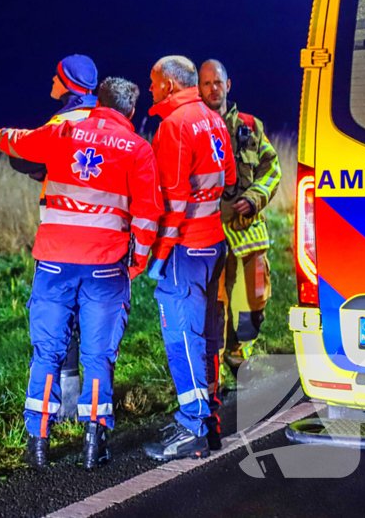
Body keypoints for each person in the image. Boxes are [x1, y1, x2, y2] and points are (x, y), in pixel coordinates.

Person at [0, 77, 162, 469]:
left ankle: (38, 444)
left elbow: (21, 142)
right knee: (98, 355)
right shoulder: (137, 148)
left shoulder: (64, 130)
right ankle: (94, 444)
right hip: (106, 267)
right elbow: (148, 216)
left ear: (98, 102)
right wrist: (138, 261)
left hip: (54, 264)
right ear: (130, 111)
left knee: (47, 351)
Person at [142, 56, 236, 461]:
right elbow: (229, 177)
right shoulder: (212, 117)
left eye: (152, 82)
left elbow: (173, 199)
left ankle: (192, 424)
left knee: (181, 334)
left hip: (186, 246)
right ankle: (208, 422)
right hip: (214, 241)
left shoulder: (174, 125)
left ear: (168, 84)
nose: (149, 89)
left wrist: (158, 255)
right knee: (205, 334)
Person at [7, 54, 100, 422]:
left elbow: (25, 156)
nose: (51, 78)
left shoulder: (61, 122)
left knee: (56, 325)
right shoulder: (103, 120)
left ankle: (57, 407)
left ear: (69, 84)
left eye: (57, 75)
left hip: (61, 242)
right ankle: (90, 408)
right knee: (93, 325)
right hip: (101, 242)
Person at [199, 59, 281, 371]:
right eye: (206, 84)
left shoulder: (251, 126)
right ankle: (215, 367)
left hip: (248, 231)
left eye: (217, 82)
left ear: (228, 85)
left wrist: (254, 197)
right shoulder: (194, 127)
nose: (213, 89)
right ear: (199, 88)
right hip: (212, 233)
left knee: (255, 299)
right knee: (216, 304)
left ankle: (240, 351)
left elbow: (272, 169)